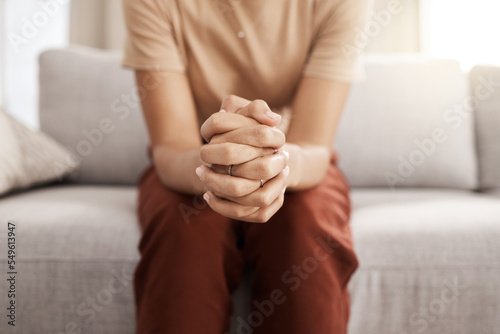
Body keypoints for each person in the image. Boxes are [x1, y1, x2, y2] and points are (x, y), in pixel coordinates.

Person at [122, 0, 370, 333]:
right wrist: (217, 164)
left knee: (304, 228)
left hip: (296, 160)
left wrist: (273, 164)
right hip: (191, 162)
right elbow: (171, 146)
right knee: (186, 234)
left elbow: (313, 144)